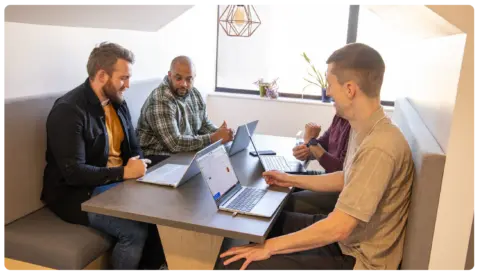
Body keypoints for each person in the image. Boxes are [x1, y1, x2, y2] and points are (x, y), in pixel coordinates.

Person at [216, 43, 415, 272]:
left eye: (330, 84)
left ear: (350, 89)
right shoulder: (365, 130)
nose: (328, 91)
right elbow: (346, 178)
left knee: (235, 265)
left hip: (357, 260)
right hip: (346, 243)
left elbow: (339, 227)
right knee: (258, 225)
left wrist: (269, 247)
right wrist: (290, 179)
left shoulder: (380, 146)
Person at [41, 42, 166, 272]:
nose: (128, 85)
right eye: (123, 78)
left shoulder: (117, 102)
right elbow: (74, 173)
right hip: (77, 194)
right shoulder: (69, 111)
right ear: (101, 75)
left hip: (114, 182)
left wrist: (137, 166)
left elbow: (134, 147)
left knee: (165, 202)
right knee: (134, 231)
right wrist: (124, 173)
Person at [137, 56, 234, 167]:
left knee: (221, 161)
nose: (184, 84)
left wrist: (222, 133)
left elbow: (204, 124)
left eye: (189, 79)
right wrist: (213, 138)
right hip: (157, 157)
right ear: (170, 75)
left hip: (184, 152)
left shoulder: (194, 93)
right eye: (178, 78)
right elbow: (175, 143)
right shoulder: (161, 99)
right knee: (210, 166)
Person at [287, 115, 351, 215]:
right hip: (329, 177)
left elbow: (339, 171)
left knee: (285, 201)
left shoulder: (355, 126)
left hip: (341, 190)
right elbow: (322, 145)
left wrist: (311, 141)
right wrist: (306, 151)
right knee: (286, 177)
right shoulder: (340, 117)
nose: (333, 103)